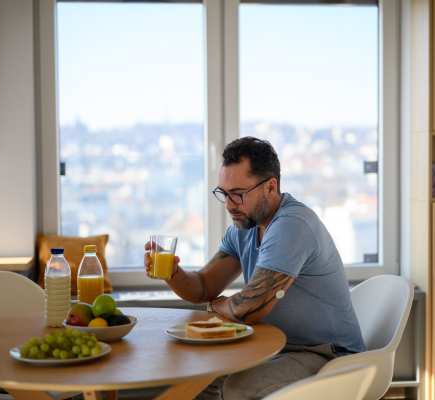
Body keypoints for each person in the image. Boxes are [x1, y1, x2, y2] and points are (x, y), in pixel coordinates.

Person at [144, 136, 366, 400]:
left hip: (327, 355)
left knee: (240, 387)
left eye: (238, 194)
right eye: (223, 194)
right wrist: (172, 273)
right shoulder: (246, 224)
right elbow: (203, 287)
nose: (228, 205)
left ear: (270, 187)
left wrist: (219, 306)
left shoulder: (292, 225)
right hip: (275, 346)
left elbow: (249, 308)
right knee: (197, 372)